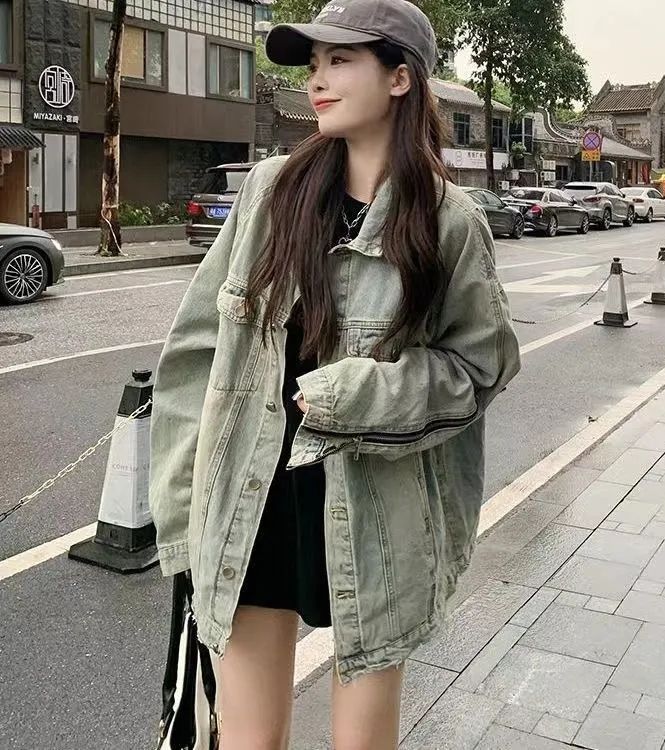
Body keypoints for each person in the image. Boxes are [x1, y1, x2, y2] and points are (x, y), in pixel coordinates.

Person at [149, 0, 520, 747]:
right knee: (248, 740)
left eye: (341, 60)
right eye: (314, 64)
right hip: (252, 501)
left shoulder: (447, 221)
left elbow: (478, 367)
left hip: (377, 514)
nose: (317, 80)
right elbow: (194, 355)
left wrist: (358, 395)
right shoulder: (269, 192)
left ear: (400, 78)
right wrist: (184, 517)